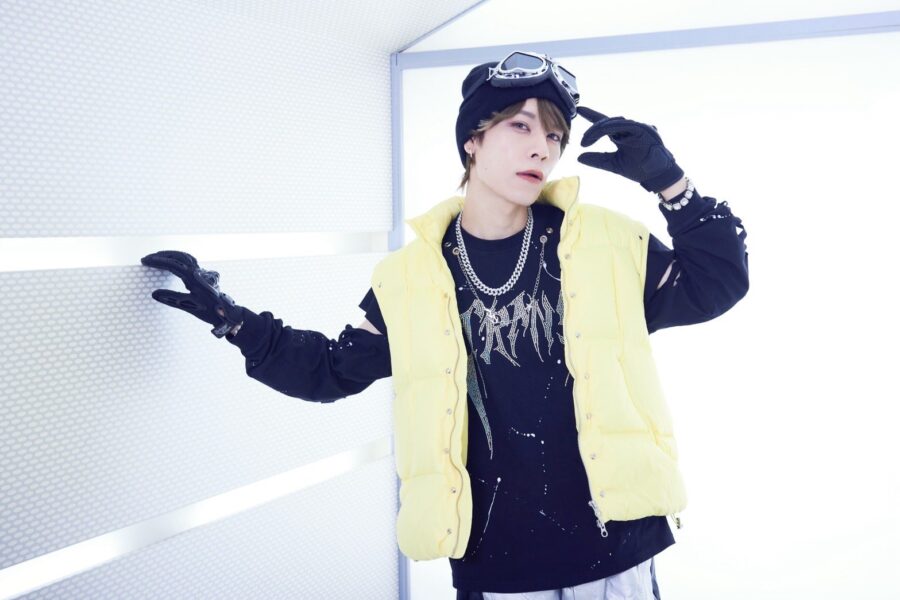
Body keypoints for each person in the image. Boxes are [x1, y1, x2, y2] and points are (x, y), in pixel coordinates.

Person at [141, 50, 749, 599]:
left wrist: (671, 184)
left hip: (616, 556)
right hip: (498, 565)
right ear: (472, 141)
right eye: (521, 126)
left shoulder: (604, 244)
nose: (542, 148)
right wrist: (234, 323)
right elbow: (331, 371)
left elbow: (716, 283)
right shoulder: (411, 278)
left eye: (555, 136)